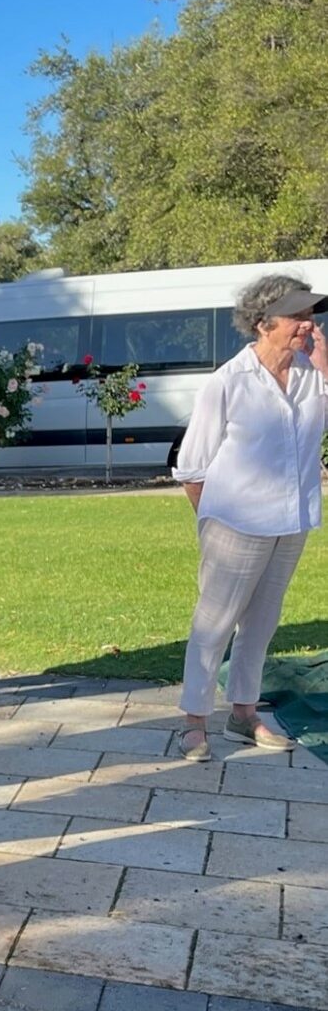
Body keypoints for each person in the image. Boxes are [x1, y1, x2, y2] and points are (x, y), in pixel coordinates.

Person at [173, 273, 328, 760]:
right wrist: (213, 526)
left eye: (311, 316)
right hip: (235, 523)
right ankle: (194, 723)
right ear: (263, 323)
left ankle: (243, 715)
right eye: (297, 316)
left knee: (261, 623)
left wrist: (324, 365)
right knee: (214, 622)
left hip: (292, 520)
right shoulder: (228, 381)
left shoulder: (312, 374)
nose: (308, 325)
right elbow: (192, 467)